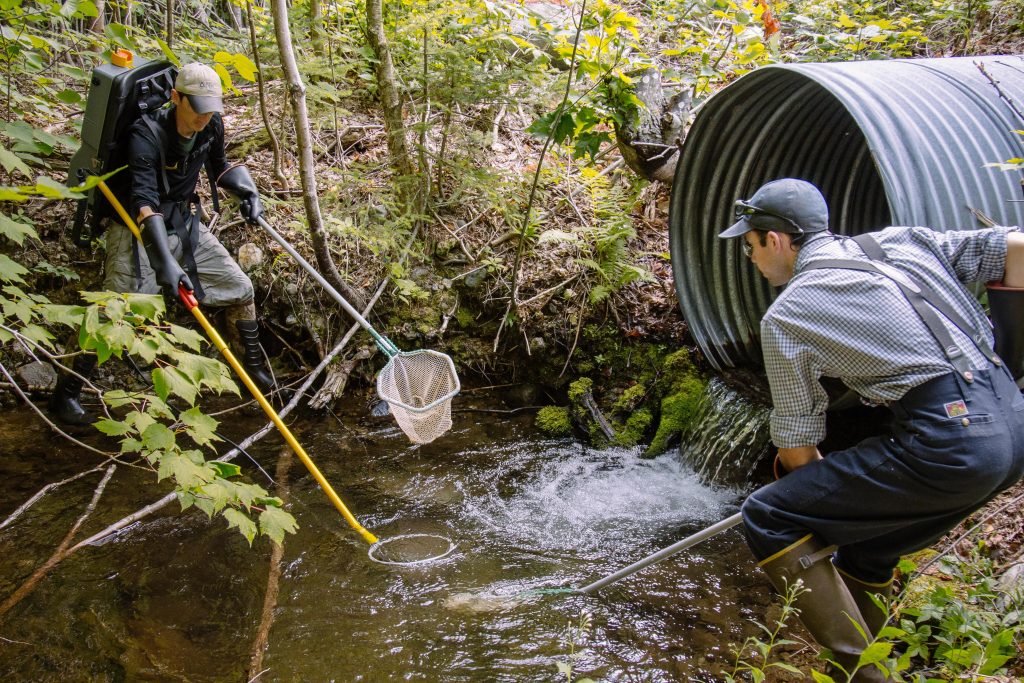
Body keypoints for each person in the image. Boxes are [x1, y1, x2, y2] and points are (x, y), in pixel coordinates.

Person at [718, 178, 1024, 682]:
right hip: (1011, 429)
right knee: (869, 548)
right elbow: (1016, 247)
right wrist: (1011, 357)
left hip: (949, 443)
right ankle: (882, 656)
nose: (749, 258)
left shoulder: (790, 314)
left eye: (749, 246)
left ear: (775, 239)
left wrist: (821, 512)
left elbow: (796, 446)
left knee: (769, 513)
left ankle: (862, 678)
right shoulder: (903, 241)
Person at [50, 62, 274, 425]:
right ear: (176, 98)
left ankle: (252, 371)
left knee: (239, 287)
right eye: (197, 108)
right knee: (116, 308)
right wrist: (164, 263)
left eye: (210, 109)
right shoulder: (145, 133)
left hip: (184, 223)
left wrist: (246, 190)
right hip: (136, 226)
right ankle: (67, 392)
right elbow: (143, 200)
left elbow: (220, 166)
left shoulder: (211, 123)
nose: (204, 118)